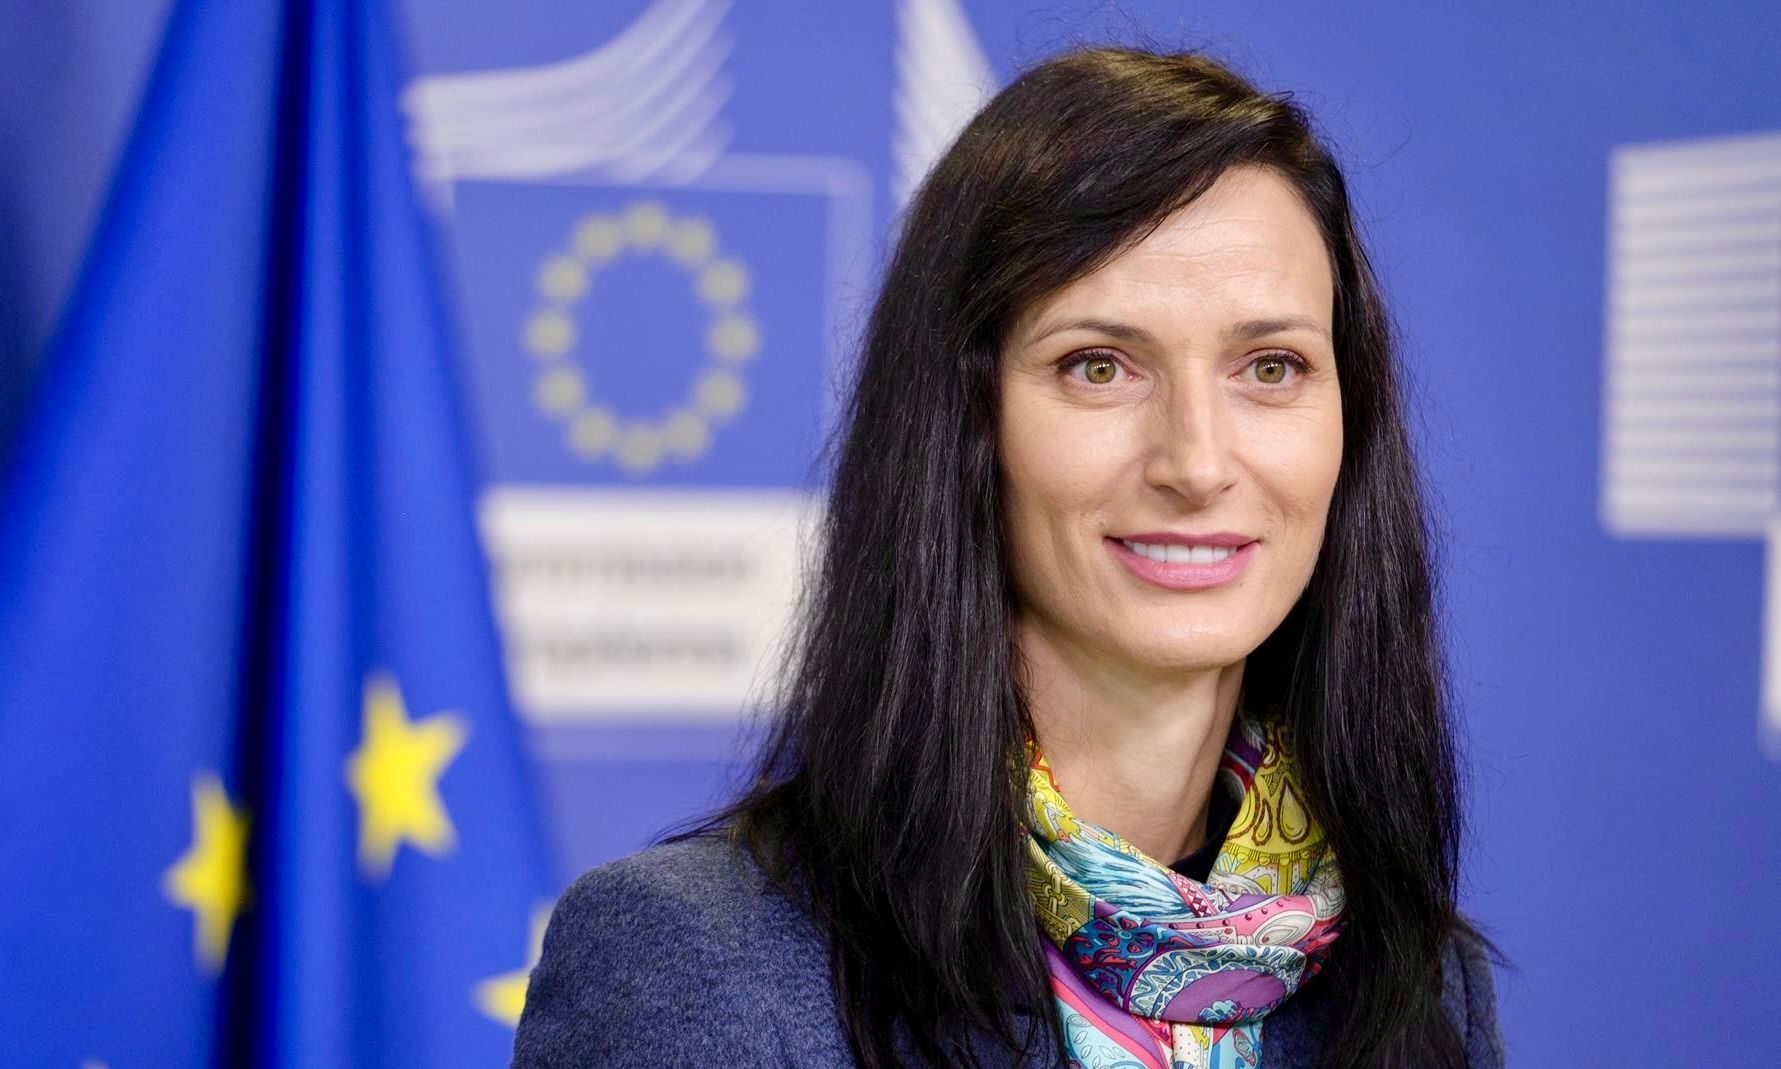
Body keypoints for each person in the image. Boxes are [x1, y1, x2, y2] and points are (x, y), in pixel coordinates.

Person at [511, 45, 1507, 1069]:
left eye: (1269, 366)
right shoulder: (699, 964)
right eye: (1097, 365)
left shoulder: (1417, 985)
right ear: (961, 424)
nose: (1197, 461)